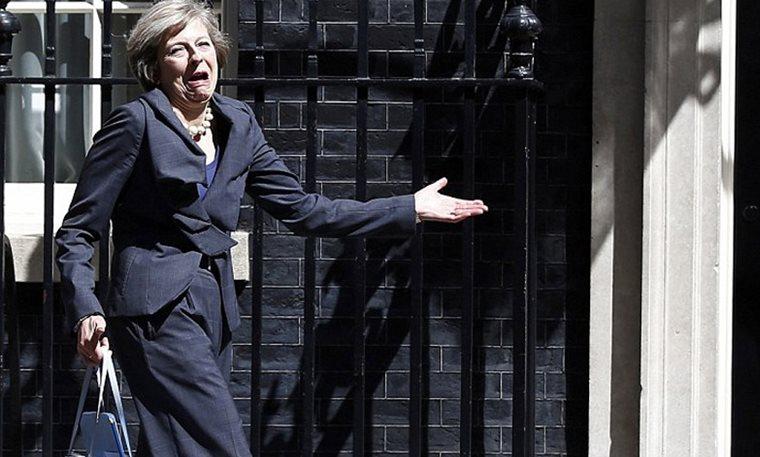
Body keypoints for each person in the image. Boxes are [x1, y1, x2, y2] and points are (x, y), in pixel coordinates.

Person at [55, 1, 488, 455]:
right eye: (179, 49)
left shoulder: (238, 124)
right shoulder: (135, 123)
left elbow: (304, 209)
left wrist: (408, 207)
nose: (197, 57)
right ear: (155, 66)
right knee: (221, 444)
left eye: (204, 44)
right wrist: (85, 308)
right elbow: (78, 229)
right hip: (155, 312)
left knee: (177, 446)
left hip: (214, 305)